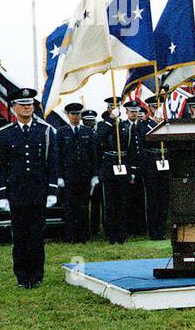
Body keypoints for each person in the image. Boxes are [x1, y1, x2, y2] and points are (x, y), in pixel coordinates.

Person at [0, 89, 59, 288]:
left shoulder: (45, 131)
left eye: (29, 104)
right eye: (22, 105)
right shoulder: (5, 134)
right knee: (20, 236)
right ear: (14, 108)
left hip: (38, 191)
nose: (26, 108)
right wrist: (2, 194)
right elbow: (1, 166)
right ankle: (22, 276)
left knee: (37, 236)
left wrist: (52, 190)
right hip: (16, 192)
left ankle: (37, 275)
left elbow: (52, 162)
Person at [57, 101, 97, 243]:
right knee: (69, 207)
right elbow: (58, 155)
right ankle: (71, 236)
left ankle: (84, 236)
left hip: (84, 175)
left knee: (83, 206)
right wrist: (59, 176)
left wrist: (94, 175)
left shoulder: (88, 131)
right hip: (68, 176)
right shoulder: (62, 132)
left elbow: (93, 155)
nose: (75, 117)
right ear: (68, 115)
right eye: (72, 114)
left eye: (78, 114)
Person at [96, 100, 134, 244]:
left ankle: (122, 233)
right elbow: (99, 136)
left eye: (117, 106)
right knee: (110, 202)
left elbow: (129, 148)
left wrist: (131, 170)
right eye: (112, 107)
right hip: (109, 164)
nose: (114, 109)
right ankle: (111, 234)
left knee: (122, 201)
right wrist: (111, 119)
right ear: (108, 108)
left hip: (122, 163)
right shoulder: (102, 124)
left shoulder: (124, 125)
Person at [130, 101, 167, 239]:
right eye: (154, 107)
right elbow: (144, 140)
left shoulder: (165, 124)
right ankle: (153, 231)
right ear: (149, 109)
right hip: (151, 164)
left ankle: (162, 230)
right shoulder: (143, 126)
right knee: (152, 198)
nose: (157, 109)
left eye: (159, 107)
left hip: (164, 163)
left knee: (163, 198)